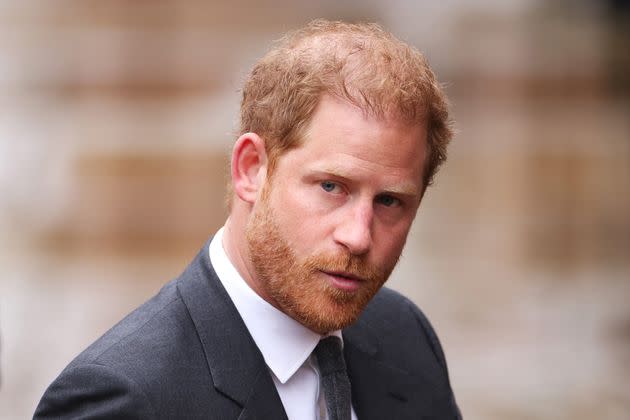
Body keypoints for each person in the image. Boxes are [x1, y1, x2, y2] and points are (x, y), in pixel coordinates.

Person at [35, 19, 461, 419]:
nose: (358, 236)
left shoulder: (405, 338)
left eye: (389, 201)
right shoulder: (125, 399)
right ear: (251, 169)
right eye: (331, 187)